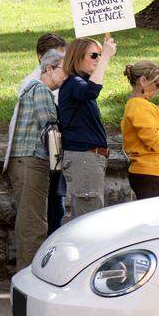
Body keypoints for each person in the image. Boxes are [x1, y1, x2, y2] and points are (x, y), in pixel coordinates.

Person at [5, 49, 66, 272]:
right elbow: (50, 129)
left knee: (28, 219)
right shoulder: (41, 90)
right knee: (33, 223)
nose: (67, 76)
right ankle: (28, 279)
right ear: (48, 69)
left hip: (23, 161)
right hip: (32, 160)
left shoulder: (31, 88)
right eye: (64, 70)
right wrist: (60, 164)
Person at [58, 35, 116, 221]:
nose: (98, 59)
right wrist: (106, 57)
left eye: (100, 55)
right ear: (77, 56)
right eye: (94, 55)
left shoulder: (77, 83)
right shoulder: (74, 83)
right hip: (84, 158)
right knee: (89, 220)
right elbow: (92, 91)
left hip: (88, 159)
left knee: (91, 216)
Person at [120, 61, 159, 200]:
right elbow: (154, 141)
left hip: (151, 173)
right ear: (143, 81)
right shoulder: (138, 106)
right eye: (158, 84)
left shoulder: (141, 105)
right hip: (151, 174)